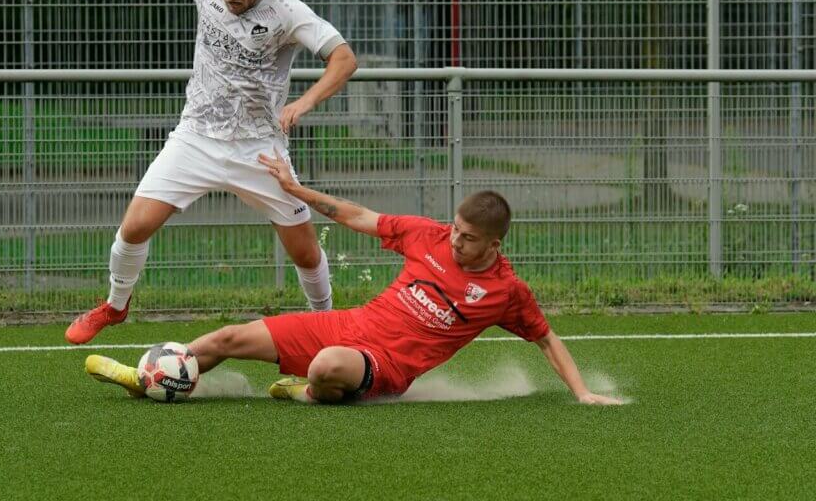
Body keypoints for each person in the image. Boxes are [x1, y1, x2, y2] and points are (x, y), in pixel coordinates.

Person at [65, 0, 358, 344]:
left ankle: (328, 325)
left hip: (259, 149)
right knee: (135, 225)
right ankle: (115, 306)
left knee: (303, 252)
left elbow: (344, 58)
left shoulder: (286, 11)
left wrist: (304, 101)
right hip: (196, 137)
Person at [83, 153, 623, 405]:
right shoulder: (427, 235)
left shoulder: (506, 292)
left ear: (494, 244)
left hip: (384, 365)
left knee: (325, 368)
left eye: (467, 238)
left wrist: (583, 393)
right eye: (455, 230)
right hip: (350, 323)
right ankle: (149, 375)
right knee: (229, 338)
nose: (454, 240)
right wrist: (297, 191)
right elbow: (354, 214)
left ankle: (311, 392)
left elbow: (545, 337)